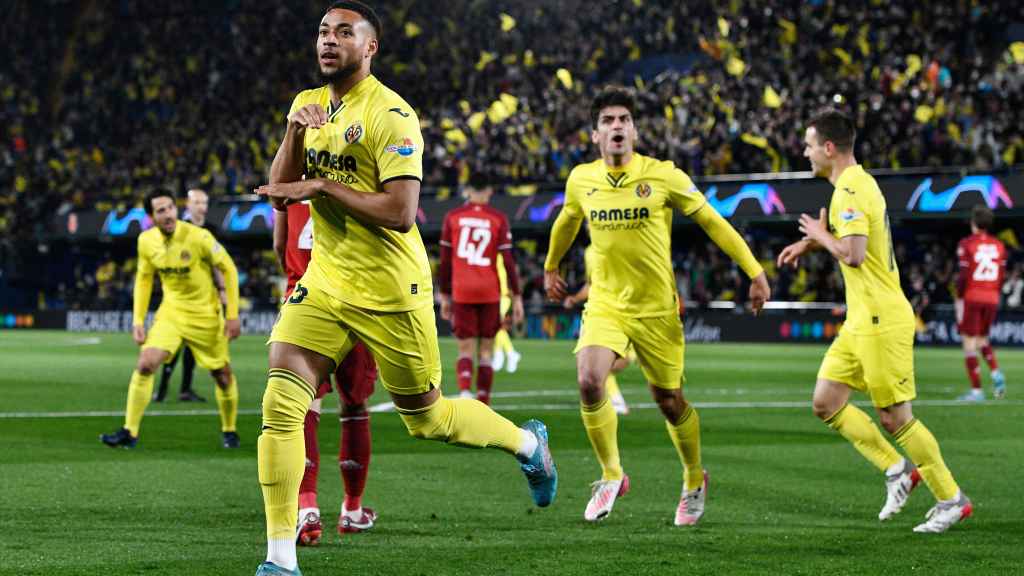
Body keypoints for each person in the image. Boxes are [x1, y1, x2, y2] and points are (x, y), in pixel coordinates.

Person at [252, 3, 556, 574]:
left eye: (345, 33)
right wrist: (295, 133)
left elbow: (400, 211)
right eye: (323, 31)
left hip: (392, 289)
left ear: (370, 48)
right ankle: (280, 558)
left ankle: (527, 445)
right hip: (324, 283)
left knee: (428, 419)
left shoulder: (393, 114)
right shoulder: (306, 105)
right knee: (281, 404)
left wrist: (321, 185)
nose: (329, 41)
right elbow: (279, 189)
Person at [544, 86, 770, 526]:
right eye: (608, 121)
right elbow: (566, 220)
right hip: (607, 304)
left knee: (669, 400)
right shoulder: (581, 180)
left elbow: (711, 221)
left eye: (624, 120)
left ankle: (692, 477)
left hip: (657, 310)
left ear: (634, 130)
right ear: (595, 135)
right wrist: (552, 265)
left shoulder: (663, 176)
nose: (617, 127)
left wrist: (754, 271)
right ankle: (611, 474)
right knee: (590, 380)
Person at [777, 108, 971, 533]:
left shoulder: (848, 190)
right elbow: (850, 243)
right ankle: (896, 469)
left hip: (881, 318)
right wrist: (810, 244)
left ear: (829, 148)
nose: (805, 153)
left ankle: (951, 498)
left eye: (809, 146)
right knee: (826, 402)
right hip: (862, 319)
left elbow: (854, 253)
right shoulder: (855, 184)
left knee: (896, 417)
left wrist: (820, 236)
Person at [272, 197, 380, 546]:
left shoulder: (289, 184)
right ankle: (352, 510)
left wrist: (297, 278)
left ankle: (307, 510)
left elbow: (279, 244)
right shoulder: (353, 179)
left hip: (303, 301)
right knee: (354, 406)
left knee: (303, 407)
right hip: (355, 302)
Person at [100, 189, 241, 449]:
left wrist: (232, 315)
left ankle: (229, 429)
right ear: (151, 216)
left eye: (170, 208)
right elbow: (143, 280)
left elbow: (229, 269)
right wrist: (138, 321)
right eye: (160, 211)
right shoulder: (146, 241)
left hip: (205, 314)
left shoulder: (198, 237)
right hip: (171, 313)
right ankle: (129, 432)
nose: (167, 215)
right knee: (145, 363)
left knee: (222, 375)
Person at [438, 172, 525, 404]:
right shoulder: (498, 218)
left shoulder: (452, 217)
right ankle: (484, 400)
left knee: (465, 349)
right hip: (489, 291)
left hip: (462, 290)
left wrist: (444, 294)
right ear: (489, 191)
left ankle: (466, 394)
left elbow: (445, 261)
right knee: (486, 351)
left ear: (467, 190)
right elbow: (508, 262)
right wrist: (517, 297)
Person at [154, 188, 223, 403]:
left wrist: (221, 291)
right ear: (188, 206)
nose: (201, 206)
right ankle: (162, 388)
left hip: (204, 296)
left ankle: (185, 389)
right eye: (197, 202)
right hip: (180, 294)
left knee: (192, 346)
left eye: (204, 202)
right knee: (173, 345)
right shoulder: (178, 229)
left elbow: (217, 263)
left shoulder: (212, 230)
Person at [562, 246, 630, 415]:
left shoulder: (623, 241)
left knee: (619, 362)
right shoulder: (590, 252)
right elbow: (591, 284)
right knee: (594, 366)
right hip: (600, 314)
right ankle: (615, 400)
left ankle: (613, 399)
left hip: (629, 312)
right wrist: (575, 299)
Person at [955, 204, 1007, 401]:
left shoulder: (967, 244)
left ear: (973, 223)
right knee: (983, 339)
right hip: (992, 296)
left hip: (973, 295)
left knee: (969, 343)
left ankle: (976, 391)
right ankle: (996, 373)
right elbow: (1001, 275)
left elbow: (963, 276)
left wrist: (960, 296)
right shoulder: (999, 245)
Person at [491, 252, 522, 373]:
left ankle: (509, 353)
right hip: (499, 296)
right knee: (496, 328)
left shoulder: (496, 256)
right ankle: (501, 355)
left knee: (497, 327)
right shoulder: (499, 257)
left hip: (501, 296)